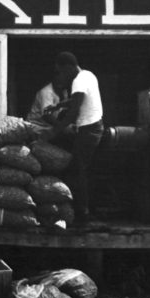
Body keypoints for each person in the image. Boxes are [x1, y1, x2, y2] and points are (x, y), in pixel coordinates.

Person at [51, 51, 104, 224]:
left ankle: (83, 215)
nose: (61, 75)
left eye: (61, 71)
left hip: (88, 129)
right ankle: (90, 210)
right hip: (95, 127)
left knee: (77, 171)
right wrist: (59, 105)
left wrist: (55, 130)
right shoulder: (88, 74)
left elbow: (74, 112)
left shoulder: (78, 80)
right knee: (85, 170)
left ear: (69, 67)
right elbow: (76, 101)